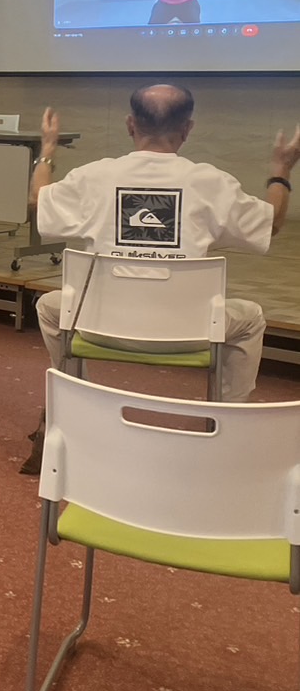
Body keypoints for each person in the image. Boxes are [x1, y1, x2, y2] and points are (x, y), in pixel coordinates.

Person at [22, 84, 299, 471]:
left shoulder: (94, 176)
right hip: (190, 332)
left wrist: (48, 150)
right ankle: (227, 428)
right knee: (250, 317)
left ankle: (72, 407)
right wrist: (281, 170)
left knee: (51, 306)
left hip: (101, 327)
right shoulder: (211, 182)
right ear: (187, 129)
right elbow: (271, 224)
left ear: (129, 125)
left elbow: (39, 201)